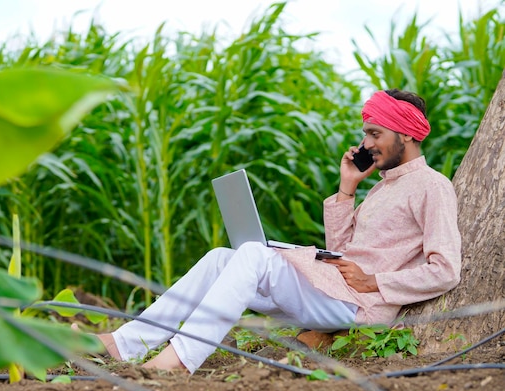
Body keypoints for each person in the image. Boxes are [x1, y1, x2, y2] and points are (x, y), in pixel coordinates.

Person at [93, 89, 462, 374]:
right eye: (365, 134)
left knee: (253, 254)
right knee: (222, 257)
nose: (365, 144)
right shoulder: (382, 186)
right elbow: (343, 250)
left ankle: (176, 362)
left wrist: (375, 282)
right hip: (332, 290)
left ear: (407, 134)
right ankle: (124, 344)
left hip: (359, 304)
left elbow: (446, 270)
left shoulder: (432, 186)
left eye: (374, 134)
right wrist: (347, 187)